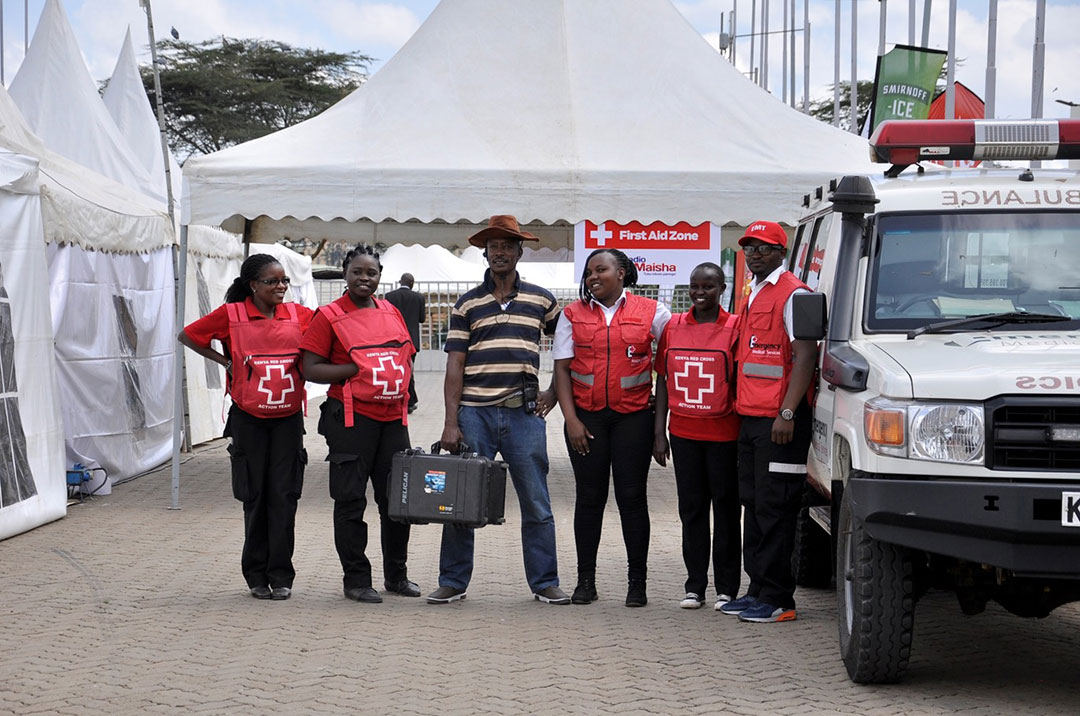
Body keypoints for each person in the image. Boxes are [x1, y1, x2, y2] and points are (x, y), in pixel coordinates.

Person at [430, 215, 569, 606]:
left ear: (519, 252)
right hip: (475, 415)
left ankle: (545, 582)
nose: (500, 252)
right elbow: (454, 365)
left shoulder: (542, 300)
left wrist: (554, 394)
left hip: (525, 416)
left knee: (537, 501)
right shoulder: (467, 304)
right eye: (493, 247)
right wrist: (450, 422)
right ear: (485, 254)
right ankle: (453, 581)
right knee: (461, 500)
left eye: (508, 246)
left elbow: (566, 352)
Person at [178, 254, 313, 601]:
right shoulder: (232, 315)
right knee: (255, 496)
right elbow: (189, 336)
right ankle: (256, 574)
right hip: (249, 418)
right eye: (273, 281)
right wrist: (225, 362)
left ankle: (281, 574)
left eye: (284, 281)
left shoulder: (298, 315)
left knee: (284, 497)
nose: (281, 287)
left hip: (286, 419)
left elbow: (328, 334)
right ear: (253, 285)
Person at [300, 245, 419, 604]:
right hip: (351, 421)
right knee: (351, 502)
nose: (364, 279)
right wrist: (355, 369)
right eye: (357, 272)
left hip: (393, 421)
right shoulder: (328, 316)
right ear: (345, 273)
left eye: (371, 273)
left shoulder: (391, 311)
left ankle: (397, 576)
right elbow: (310, 367)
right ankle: (356, 579)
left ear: (380, 275)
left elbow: (404, 355)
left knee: (397, 502)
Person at [553, 248, 671, 608]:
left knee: (632, 499)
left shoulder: (653, 312)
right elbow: (561, 370)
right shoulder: (571, 315)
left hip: (633, 418)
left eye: (600, 270)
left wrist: (658, 429)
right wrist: (571, 420)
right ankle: (585, 581)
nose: (593, 277)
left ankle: (638, 583)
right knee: (589, 499)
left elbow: (665, 370)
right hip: (586, 420)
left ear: (622, 273)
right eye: (589, 272)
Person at [719, 220, 815, 624]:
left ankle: (779, 599)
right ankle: (757, 589)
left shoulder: (793, 294)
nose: (754, 254)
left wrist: (787, 413)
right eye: (749, 248)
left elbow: (806, 356)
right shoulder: (755, 291)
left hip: (781, 423)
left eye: (763, 248)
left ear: (781, 252)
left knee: (777, 508)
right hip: (753, 419)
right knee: (755, 505)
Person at [653, 263, 741, 611]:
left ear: (722, 288)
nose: (700, 293)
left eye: (708, 286)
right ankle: (694, 585)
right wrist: (658, 432)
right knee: (691, 511)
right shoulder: (674, 327)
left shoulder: (734, 327)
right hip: (684, 433)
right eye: (694, 287)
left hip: (724, 434)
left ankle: (728, 587)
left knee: (726, 511)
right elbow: (662, 380)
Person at [384, 273, 426, 413]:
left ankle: (401, 400)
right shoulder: (419, 297)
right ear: (412, 283)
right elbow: (422, 319)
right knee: (409, 370)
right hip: (412, 340)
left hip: (395, 339)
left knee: (395, 371)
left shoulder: (390, 296)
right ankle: (409, 401)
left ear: (400, 281)